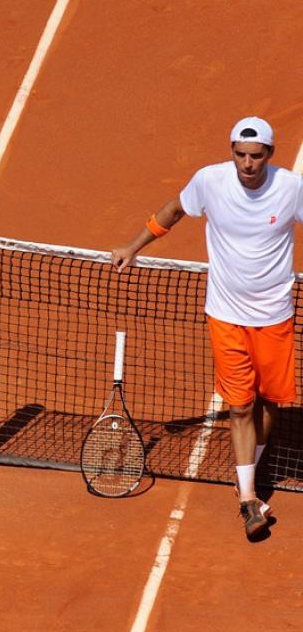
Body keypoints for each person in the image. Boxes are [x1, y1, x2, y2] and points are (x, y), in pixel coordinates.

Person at [112, 116, 303, 541]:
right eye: (240, 154)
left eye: (256, 156)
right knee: (240, 406)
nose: (247, 164)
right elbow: (174, 210)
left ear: (270, 155)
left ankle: (250, 466)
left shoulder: (291, 188)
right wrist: (133, 245)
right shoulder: (210, 181)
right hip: (226, 316)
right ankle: (248, 497)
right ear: (231, 151)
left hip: (274, 317)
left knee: (270, 403)